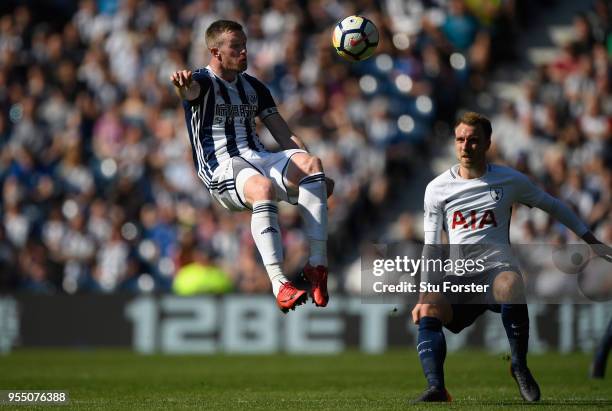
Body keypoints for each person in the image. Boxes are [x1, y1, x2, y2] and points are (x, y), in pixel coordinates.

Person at [411, 112, 612, 402]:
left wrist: (591, 240)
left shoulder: (509, 180)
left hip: (495, 271)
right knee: (428, 308)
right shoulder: (437, 188)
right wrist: (424, 291)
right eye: (460, 140)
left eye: (473, 140)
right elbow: (431, 244)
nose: (465, 146)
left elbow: (553, 206)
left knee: (510, 284)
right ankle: (437, 388)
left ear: (488, 143)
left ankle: (519, 365)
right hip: (460, 278)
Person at [170, 20, 332, 313]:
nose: (244, 51)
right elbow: (189, 92)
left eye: (245, 45)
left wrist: (315, 178)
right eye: (236, 47)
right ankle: (279, 282)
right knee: (262, 187)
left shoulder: (254, 87)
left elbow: (283, 134)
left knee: (311, 163)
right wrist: (183, 86)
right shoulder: (202, 81)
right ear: (216, 52)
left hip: (256, 156)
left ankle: (317, 265)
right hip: (220, 167)